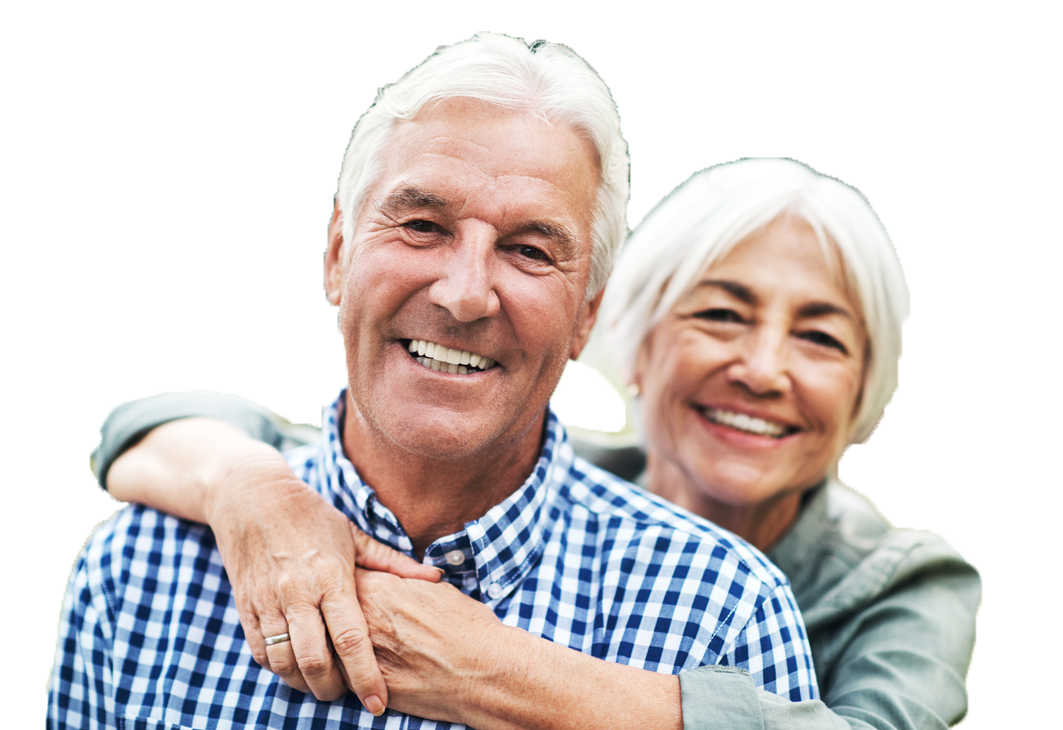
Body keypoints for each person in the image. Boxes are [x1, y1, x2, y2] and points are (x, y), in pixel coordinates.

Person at [47, 34, 818, 730]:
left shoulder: (718, 616)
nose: (463, 293)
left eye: (528, 250)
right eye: (422, 226)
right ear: (338, 255)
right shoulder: (143, 571)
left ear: (585, 317)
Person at [83, 157, 980, 729]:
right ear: (626, 339)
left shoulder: (897, 586)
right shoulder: (516, 476)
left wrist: (484, 669)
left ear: (866, 390)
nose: (762, 367)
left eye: (820, 339)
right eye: (719, 315)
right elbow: (195, 435)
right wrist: (250, 490)